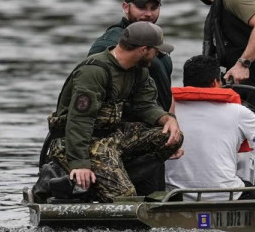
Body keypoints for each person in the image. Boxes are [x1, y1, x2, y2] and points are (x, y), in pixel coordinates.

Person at [43, 22, 183, 203]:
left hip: (111, 137)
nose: (158, 55)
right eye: (156, 50)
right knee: (124, 197)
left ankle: (108, 178)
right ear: (143, 50)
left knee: (171, 137)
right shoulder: (94, 71)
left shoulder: (139, 70)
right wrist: (80, 163)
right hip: (77, 142)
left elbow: (146, 105)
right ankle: (60, 183)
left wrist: (167, 119)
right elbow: (80, 120)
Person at [165, 55, 255, 201]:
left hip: (177, 196)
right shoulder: (236, 111)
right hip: (226, 194)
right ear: (215, 82)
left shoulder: (168, 113)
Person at [89, 0, 174, 113]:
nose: (148, 14)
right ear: (125, 7)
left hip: (158, 121)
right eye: (141, 7)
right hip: (130, 127)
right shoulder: (108, 43)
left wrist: (170, 118)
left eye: (154, 8)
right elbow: (91, 90)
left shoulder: (155, 40)